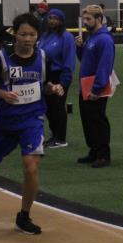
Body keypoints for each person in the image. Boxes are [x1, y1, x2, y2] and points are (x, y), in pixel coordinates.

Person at [0, 13, 64, 235]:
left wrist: (53, 88)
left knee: (31, 167)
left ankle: (24, 216)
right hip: (6, 121)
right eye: (23, 34)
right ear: (15, 34)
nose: (27, 39)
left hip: (32, 119)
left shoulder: (43, 57)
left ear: (38, 36)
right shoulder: (2, 57)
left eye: (32, 35)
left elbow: (45, 84)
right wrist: (4, 94)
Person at [75, 4, 116, 168]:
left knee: (98, 121)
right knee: (88, 120)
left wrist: (97, 88)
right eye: (84, 19)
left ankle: (103, 155)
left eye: (88, 19)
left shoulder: (104, 39)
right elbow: (85, 60)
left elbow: (104, 66)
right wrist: (79, 48)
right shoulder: (91, 37)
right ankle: (94, 151)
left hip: (95, 88)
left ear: (99, 19)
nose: (85, 22)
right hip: (85, 86)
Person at [40, 9, 75, 148]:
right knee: (48, 108)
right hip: (46, 75)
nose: (52, 20)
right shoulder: (45, 35)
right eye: (50, 18)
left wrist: (63, 81)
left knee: (57, 106)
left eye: (56, 18)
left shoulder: (67, 37)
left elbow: (69, 60)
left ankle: (60, 138)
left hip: (59, 75)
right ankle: (54, 135)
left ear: (61, 21)